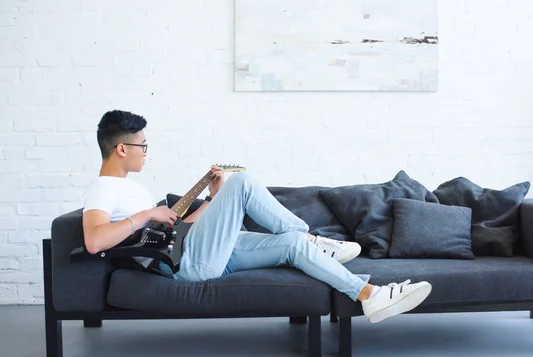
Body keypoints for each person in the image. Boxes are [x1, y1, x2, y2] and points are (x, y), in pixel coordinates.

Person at [82, 110, 432, 323]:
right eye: (142, 146)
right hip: (184, 265)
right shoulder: (104, 189)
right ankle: (311, 236)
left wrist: (214, 201)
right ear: (122, 148)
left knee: (291, 244)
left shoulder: (132, 188)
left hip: (197, 250)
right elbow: (94, 240)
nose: (146, 153)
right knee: (244, 181)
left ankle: (369, 295)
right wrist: (146, 214)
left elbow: (182, 229)